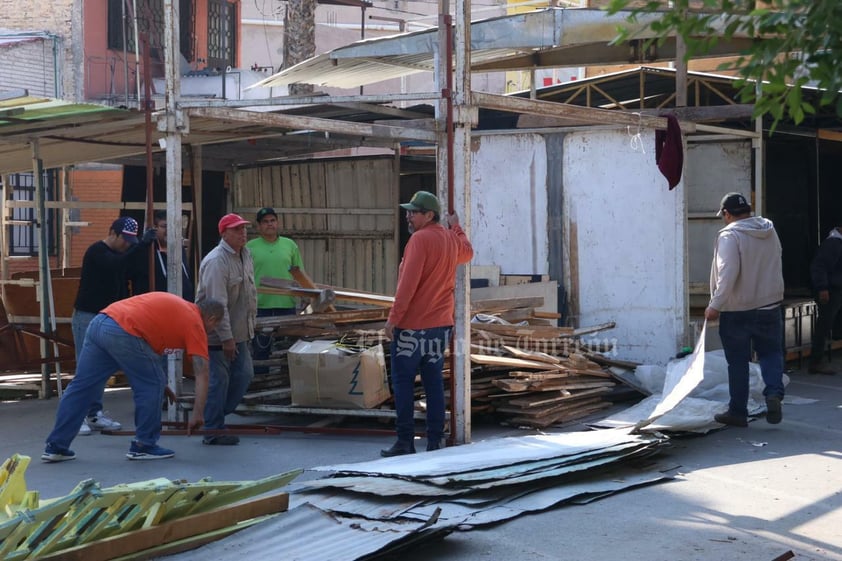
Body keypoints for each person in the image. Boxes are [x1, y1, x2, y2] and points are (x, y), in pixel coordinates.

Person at [41, 293, 224, 462]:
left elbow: (148, 354)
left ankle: (56, 446)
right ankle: (144, 445)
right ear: (212, 318)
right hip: (124, 331)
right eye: (215, 326)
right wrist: (198, 414)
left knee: (82, 387)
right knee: (151, 386)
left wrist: (160, 384)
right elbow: (202, 372)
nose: (212, 331)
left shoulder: (179, 308)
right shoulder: (195, 323)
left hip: (101, 322)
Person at [380, 191, 473, 457]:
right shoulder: (449, 239)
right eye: (408, 211)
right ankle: (434, 441)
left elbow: (406, 286)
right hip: (440, 326)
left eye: (414, 212)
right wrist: (456, 226)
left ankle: (405, 442)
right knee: (433, 383)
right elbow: (468, 252)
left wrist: (393, 319)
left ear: (429, 215)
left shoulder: (419, 240)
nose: (408, 216)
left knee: (403, 382)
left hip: (412, 327)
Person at [705, 192, 785, 427]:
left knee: (738, 362)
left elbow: (727, 272)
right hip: (770, 305)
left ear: (727, 214)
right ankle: (773, 394)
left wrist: (715, 305)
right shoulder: (769, 230)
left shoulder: (730, 235)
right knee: (771, 353)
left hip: (738, 309)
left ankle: (737, 412)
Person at [71, 216, 145, 436]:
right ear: (113, 233)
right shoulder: (97, 252)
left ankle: (94, 413)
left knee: (100, 369)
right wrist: (138, 248)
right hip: (87, 315)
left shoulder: (119, 255)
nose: (126, 246)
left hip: (107, 317)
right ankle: (77, 416)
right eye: (125, 240)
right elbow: (115, 265)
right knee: (84, 370)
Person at [194, 213, 257, 446]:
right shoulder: (216, 262)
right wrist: (227, 339)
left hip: (241, 331)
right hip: (217, 335)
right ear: (224, 233)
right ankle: (212, 430)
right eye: (236, 230)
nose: (242, 233)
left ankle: (217, 417)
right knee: (218, 381)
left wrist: (249, 328)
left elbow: (249, 294)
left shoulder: (246, 255)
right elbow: (217, 306)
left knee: (244, 375)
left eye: (243, 229)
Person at [245, 207, 303, 373]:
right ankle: (261, 385)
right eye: (265, 222)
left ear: (277, 223)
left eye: (272, 221)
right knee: (261, 349)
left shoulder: (290, 245)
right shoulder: (250, 247)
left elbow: (299, 273)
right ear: (258, 226)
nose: (269, 224)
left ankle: (286, 386)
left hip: (286, 305)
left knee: (288, 349)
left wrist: (306, 294)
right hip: (260, 306)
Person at [129, 210, 195, 301]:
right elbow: (128, 265)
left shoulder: (179, 249)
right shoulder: (147, 250)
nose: (169, 231)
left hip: (182, 305)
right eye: (164, 226)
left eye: (172, 226)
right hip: (155, 307)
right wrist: (143, 244)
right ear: (155, 228)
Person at [808, 217, 842, 375]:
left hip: (836, 289)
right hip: (831, 291)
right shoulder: (833, 244)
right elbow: (819, 266)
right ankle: (816, 361)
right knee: (824, 325)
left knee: (829, 325)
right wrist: (822, 288)